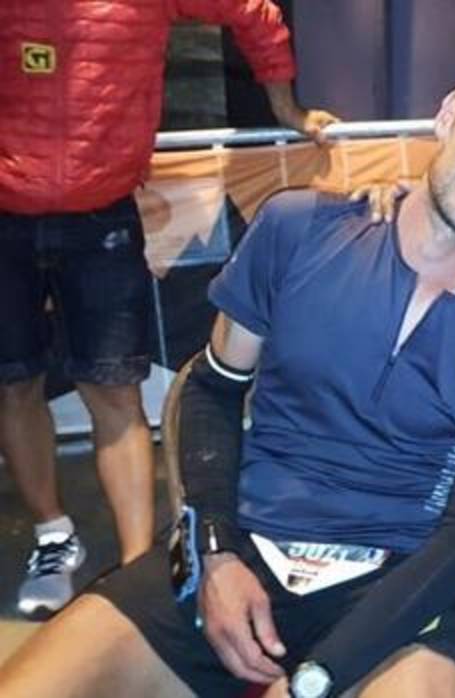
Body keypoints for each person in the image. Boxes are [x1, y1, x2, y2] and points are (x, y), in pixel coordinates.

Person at [0, 47, 455, 698]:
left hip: (398, 589)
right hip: (247, 542)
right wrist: (216, 552)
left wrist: (317, 679)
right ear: (449, 115)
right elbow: (212, 390)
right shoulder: (298, 227)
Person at [0, 0, 338, 617]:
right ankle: (53, 536)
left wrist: (286, 109)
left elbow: (255, 13)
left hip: (101, 215)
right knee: (14, 383)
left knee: (114, 391)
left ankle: (137, 576)